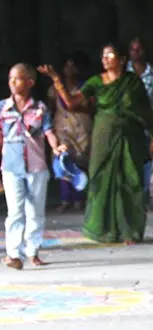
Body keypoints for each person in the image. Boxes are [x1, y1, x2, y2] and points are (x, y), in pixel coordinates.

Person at [39, 44, 153, 245]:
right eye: (103, 56)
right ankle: (103, 230)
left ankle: (129, 231)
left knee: (131, 181)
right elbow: (71, 104)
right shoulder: (95, 82)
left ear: (121, 59)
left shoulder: (133, 82)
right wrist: (56, 80)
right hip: (103, 135)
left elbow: (146, 112)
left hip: (130, 137)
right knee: (100, 179)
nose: (105, 59)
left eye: (110, 55)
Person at [1, 64, 68, 269]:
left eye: (18, 79)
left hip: (36, 167)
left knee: (35, 211)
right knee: (15, 211)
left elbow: (48, 131)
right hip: (11, 167)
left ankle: (32, 251)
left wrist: (56, 147)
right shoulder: (3, 108)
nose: (13, 82)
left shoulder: (39, 108)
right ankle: (13, 254)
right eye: (11, 78)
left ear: (30, 82)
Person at [46, 53, 93, 213]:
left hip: (81, 128)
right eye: (67, 66)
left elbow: (93, 107)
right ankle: (65, 199)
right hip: (62, 128)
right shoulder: (54, 88)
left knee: (80, 164)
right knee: (63, 163)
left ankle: (78, 199)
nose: (70, 69)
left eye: (73, 66)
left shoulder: (86, 87)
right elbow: (51, 107)